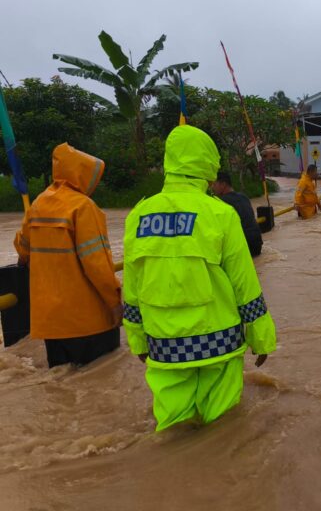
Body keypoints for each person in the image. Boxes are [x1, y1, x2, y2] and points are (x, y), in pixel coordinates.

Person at [122, 125, 276, 431]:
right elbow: (244, 283)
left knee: (173, 429)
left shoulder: (138, 215)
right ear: (208, 162)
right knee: (223, 430)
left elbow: (132, 287)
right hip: (218, 343)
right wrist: (261, 337)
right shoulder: (219, 214)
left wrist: (137, 339)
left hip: (164, 345)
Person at [14, 143, 122, 368]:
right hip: (88, 321)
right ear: (82, 175)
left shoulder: (38, 204)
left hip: (51, 324)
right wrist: (115, 303)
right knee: (97, 384)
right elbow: (97, 265)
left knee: (62, 384)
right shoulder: (83, 207)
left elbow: (22, 247)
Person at [211, 171, 263, 257]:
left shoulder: (221, 202)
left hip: (243, 246)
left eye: (214, 184)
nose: (212, 187)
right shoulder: (244, 197)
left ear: (223, 184)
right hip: (257, 243)